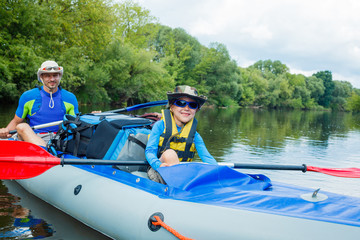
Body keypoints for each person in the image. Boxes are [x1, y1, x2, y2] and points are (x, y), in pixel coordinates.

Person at [145, 85, 217, 182]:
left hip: (183, 173)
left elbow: (207, 158)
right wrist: (158, 165)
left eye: (192, 105)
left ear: (196, 110)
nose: (187, 108)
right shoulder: (159, 126)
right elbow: (149, 151)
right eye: (181, 103)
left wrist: (218, 171)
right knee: (170, 154)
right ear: (172, 107)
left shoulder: (195, 136)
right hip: (159, 170)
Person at [0, 60, 79, 146]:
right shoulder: (28, 96)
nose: (52, 79)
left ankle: (47, 152)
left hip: (60, 139)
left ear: (59, 76)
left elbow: (75, 125)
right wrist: (5, 132)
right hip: (32, 138)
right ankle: (47, 151)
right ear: (41, 77)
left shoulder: (70, 98)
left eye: (55, 75)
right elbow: (16, 122)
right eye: (47, 76)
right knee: (22, 127)